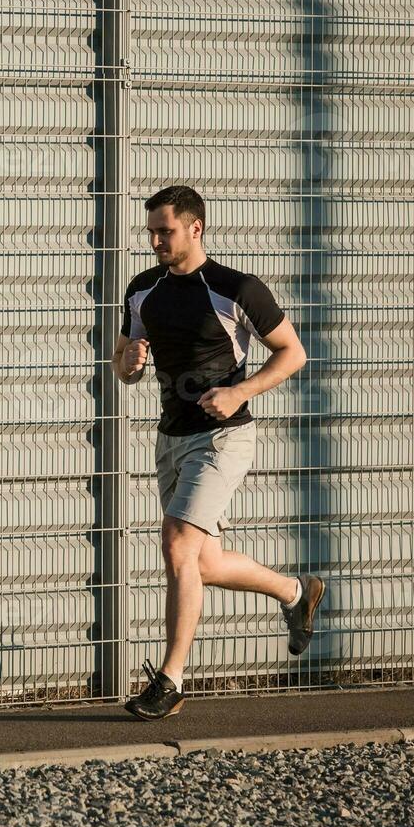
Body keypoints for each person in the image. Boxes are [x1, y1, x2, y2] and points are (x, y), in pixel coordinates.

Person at [113, 186, 325, 720]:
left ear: (195, 228)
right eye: (152, 232)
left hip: (224, 437)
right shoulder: (142, 290)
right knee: (201, 562)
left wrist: (240, 391)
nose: (156, 240)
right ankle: (295, 592)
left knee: (178, 545)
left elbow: (293, 353)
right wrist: (130, 360)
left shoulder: (235, 288)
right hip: (171, 438)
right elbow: (124, 366)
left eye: (166, 230)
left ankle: (171, 680)